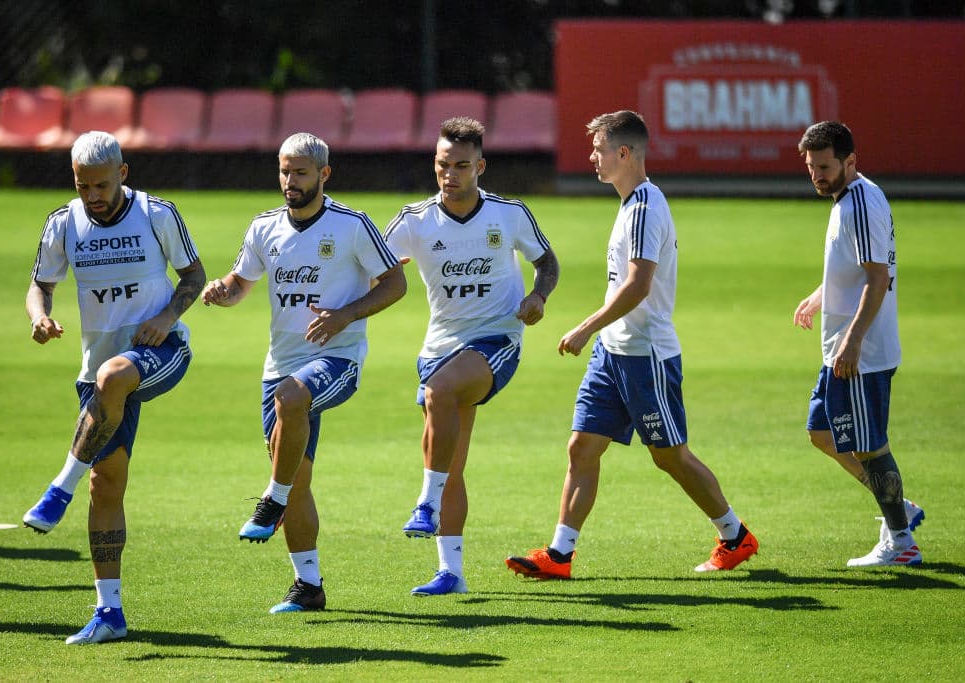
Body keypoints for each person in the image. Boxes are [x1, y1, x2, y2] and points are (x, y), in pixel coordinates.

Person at [506, 110, 758, 580]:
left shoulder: (644, 207)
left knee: (670, 456)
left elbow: (639, 285)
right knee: (581, 448)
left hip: (647, 355)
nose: (592, 157)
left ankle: (734, 535)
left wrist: (585, 327)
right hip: (613, 352)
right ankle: (560, 555)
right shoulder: (629, 205)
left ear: (624, 153)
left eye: (599, 149)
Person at [201, 132, 406, 612]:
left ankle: (270, 500)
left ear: (323, 175)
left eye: (299, 173)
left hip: (338, 360)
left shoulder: (353, 225)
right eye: (284, 171)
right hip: (280, 365)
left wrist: (345, 316)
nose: (289, 181)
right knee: (298, 476)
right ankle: (308, 587)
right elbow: (240, 281)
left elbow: (395, 283)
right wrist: (221, 291)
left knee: (293, 405)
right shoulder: (264, 227)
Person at [22, 131, 206, 644]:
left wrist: (169, 316)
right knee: (106, 484)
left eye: (101, 184)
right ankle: (110, 613)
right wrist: (40, 317)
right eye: (83, 186)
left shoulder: (156, 214)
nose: (92, 195)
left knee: (113, 376)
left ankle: (58, 487)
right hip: (98, 365)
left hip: (162, 352)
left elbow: (193, 274)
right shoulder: (64, 223)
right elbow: (41, 283)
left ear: (123, 174)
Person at [383, 117, 559, 596]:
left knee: (441, 392)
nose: (450, 174)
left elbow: (546, 261)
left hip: (496, 341)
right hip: (438, 345)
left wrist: (539, 297)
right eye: (443, 164)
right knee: (450, 463)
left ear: (480, 166)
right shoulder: (415, 221)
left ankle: (424, 502)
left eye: (462, 165)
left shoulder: (508, 214)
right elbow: (373, 266)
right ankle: (451, 572)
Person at [792, 121, 923, 567]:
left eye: (825, 166)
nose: (817, 175)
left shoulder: (862, 203)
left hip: (860, 354)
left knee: (869, 445)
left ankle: (901, 541)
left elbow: (876, 277)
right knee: (822, 432)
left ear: (851, 161)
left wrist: (852, 342)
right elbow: (850, 268)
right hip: (841, 351)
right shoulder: (844, 198)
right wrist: (819, 295)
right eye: (811, 167)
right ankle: (899, 507)